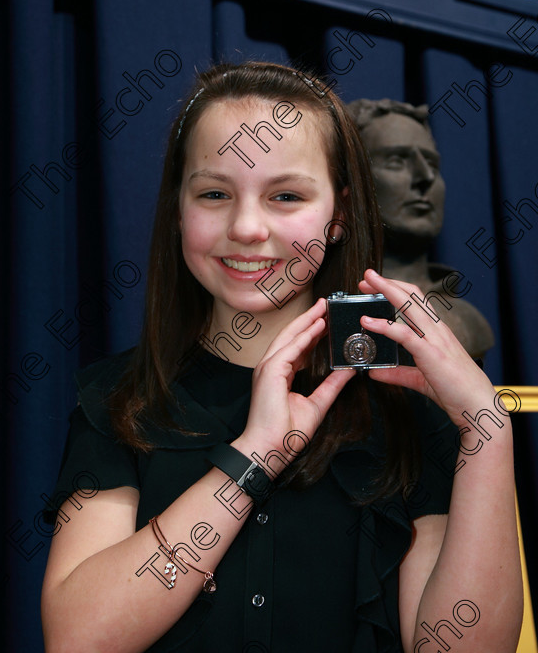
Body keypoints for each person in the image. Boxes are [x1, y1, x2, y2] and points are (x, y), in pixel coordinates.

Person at [40, 62, 522, 653]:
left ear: (339, 214)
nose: (246, 227)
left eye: (286, 195)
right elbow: (79, 638)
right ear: (179, 208)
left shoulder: (407, 406)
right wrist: (253, 457)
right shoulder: (118, 399)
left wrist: (486, 432)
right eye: (214, 193)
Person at [345, 98, 494, 362]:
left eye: (432, 164)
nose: (425, 176)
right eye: (396, 161)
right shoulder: (320, 307)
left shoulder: (467, 321)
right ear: (352, 182)